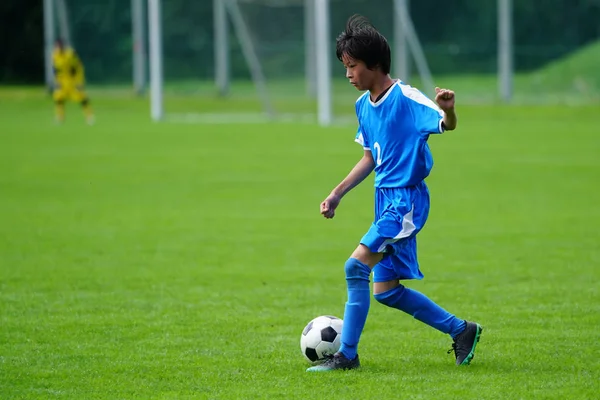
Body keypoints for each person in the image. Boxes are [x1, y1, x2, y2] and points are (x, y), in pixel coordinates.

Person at [306, 15, 482, 372]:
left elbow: (444, 124)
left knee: (355, 267)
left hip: (405, 202)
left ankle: (347, 356)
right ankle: (462, 330)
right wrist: (338, 193)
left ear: (375, 65)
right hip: (384, 199)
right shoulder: (363, 106)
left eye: (352, 66)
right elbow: (371, 156)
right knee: (385, 291)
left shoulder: (406, 98)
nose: (348, 74)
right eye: (345, 66)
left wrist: (449, 112)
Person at [52, 38, 94, 124]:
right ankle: (60, 117)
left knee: (81, 97)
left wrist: (80, 81)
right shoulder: (55, 55)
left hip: (73, 80)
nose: (58, 48)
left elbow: (79, 66)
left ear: (63, 46)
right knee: (58, 97)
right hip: (63, 81)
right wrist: (57, 81)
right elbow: (56, 70)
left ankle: (89, 116)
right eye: (56, 46)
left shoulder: (71, 54)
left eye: (59, 46)